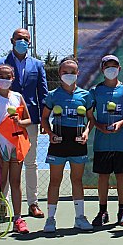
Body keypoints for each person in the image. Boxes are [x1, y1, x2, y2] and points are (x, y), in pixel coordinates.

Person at [0, 28, 48, 218]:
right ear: (12, 40)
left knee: (31, 163)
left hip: (28, 122)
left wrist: (44, 120)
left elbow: (43, 94)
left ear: (29, 42)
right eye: (19, 38)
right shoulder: (0, 64)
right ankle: (2, 206)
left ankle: (33, 204)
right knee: (4, 165)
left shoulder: (38, 64)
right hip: (4, 127)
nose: (22, 41)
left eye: (26, 39)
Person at [40, 56, 94, 233]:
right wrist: (50, 134)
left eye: (72, 72)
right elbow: (44, 119)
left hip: (77, 142)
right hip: (59, 142)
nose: (69, 75)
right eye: (65, 72)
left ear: (78, 74)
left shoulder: (85, 96)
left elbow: (91, 120)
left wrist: (86, 133)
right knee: (55, 181)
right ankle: (50, 219)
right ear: (59, 73)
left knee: (77, 180)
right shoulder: (53, 95)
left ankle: (79, 217)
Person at [87, 55, 123, 227]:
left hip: (122, 142)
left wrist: (121, 123)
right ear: (102, 70)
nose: (111, 69)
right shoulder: (95, 91)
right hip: (102, 143)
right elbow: (89, 115)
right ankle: (102, 211)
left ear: (119, 69)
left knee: (121, 175)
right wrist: (99, 126)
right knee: (103, 176)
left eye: (114, 66)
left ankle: (122, 211)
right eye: (107, 66)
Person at [0, 64, 32, 234]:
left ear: (13, 79)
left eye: (8, 76)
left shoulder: (18, 97)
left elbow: (28, 120)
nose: (4, 79)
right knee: (0, 183)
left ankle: (18, 219)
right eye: (1, 76)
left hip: (16, 145)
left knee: (16, 181)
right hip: (1, 146)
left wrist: (20, 122)